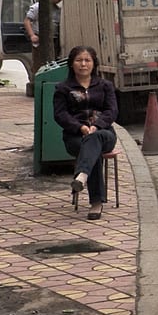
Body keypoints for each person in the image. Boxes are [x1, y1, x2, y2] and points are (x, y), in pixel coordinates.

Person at [55, 45, 118, 220]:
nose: (83, 64)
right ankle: (96, 202)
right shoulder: (63, 88)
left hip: (104, 133)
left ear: (94, 63)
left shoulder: (105, 86)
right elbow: (60, 115)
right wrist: (80, 128)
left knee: (95, 140)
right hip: (75, 136)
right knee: (92, 149)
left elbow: (112, 111)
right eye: (79, 60)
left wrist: (96, 126)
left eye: (87, 60)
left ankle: (82, 176)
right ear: (71, 64)